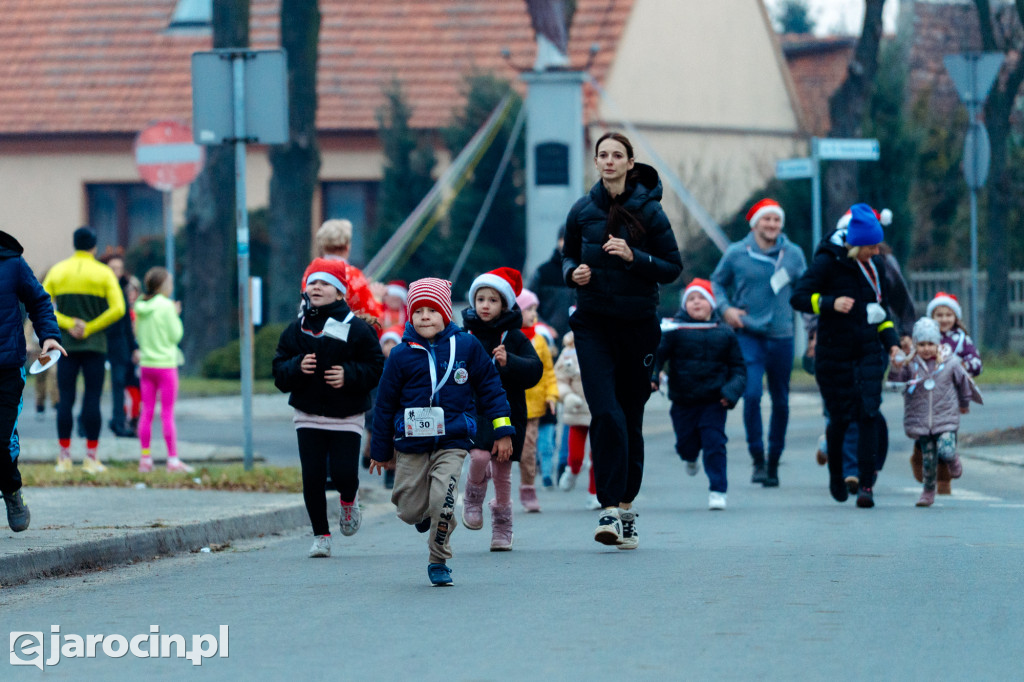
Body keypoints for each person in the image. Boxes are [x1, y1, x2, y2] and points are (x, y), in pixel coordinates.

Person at [562, 131, 682, 549]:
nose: (609, 161)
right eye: (603, 155)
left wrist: (635, 258)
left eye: (617, 155)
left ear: (631, 163)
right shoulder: (581, 210)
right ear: (595, 162)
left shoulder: (650, 212)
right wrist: (570, 274)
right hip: (593, 325)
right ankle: (609, 508)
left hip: (638, 326)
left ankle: (627, 506)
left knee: (630, 417)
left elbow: (672, 267)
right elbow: (567, 256)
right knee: (606, 413)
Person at [368, 278, 514, 586]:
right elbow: (383, 406)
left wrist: (503, 430)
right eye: (417, 311)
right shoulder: (400, 355)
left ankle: (438, 559)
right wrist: (380, 451)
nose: (424, 317)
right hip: (411, 443)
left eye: (431, 311)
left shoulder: (466, 346)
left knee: (444, 504)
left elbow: (491, 388)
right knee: (408, 509)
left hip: (452, 441)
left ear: (446, 313)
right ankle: (423, 518)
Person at [791, 203, 902, 508]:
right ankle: (836, 473)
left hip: (868, 352)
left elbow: (883, 313)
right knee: (840, 420)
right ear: (856, 245)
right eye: (871, 246)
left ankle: (866, 485)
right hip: (834, 354)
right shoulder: (827, 263)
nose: (877, 252)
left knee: (868, 416)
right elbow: (798, 297)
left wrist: (892, 343)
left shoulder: (876, 268)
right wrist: (829, 302)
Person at [273, 258, 385, 557]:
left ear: (339, 293)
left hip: (346, 414)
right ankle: (321, 535)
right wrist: (297, 366)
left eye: (324, 283)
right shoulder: (296, 329)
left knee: (344, 474)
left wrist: (349, 374)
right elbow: (279, 369)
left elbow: (375, 368)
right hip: (307, 414)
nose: (317, 287)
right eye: (312, 282)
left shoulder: (358, 329)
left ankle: (349, 500)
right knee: (312, 476)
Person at [710, 198, 806, 486]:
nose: (772, 225)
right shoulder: (738, 253)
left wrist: (813, 332)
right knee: (751, 395)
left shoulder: (793, 254)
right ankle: (757, 458)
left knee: (781, 400)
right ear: (755, 223)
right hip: (748, 334)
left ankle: (774, 460)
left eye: (776, 220)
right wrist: (725, 309)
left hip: (782, 336)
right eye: (767, 220)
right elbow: (716, 282)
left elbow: (805, 291)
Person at [460, 267, 542, 550]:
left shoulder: (515, 338)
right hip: (474, 411)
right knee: (479, 456)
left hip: (508, 412)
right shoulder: (465, 336)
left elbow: (535, 371)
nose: (485, 305)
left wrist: (511, 363)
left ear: (505, 304)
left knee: (503, 469)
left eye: (493, 300)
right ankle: (472, 496)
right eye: (480, 299)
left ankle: (502, 526)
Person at [653, 279, 746, 510]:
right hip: (683, 400)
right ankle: (690, 457)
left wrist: (731, 392)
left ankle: (718, 490)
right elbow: (656, 357)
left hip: (714, 400)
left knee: (714, 443)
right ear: (685, 305)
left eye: (702, 298)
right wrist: (653, 377)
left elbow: (738, 369)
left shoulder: (725, 333)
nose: (696, 302)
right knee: (686, 445)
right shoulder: (674, 330)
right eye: (691, 299)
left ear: (712, 304)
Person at [42, 227, 125, 473]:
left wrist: (68, 323)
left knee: (65, 399)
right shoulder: (104, 273)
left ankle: (64, 458)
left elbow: (42, 304)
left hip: (65, 345)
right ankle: (91, 458)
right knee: (92, 399)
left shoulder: (58, 271)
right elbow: (119, 308)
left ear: (74, 244)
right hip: (95, 345)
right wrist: (90, 327)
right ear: (94, 247)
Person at [1, 230, 66, 532]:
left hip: (6, 367)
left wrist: (49, 336)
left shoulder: (11, 262)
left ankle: (11, 490)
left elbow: (39, 301)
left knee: (1, 444)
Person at [889, 317, 979, 507]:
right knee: (928, 460)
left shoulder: (951, 362)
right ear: (915, 345)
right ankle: (928, 492)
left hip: (945, 417)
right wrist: (896, 369)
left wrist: (964, 402)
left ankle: (953, 459)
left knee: (946, 449)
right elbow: (898, 384)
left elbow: (963, 384)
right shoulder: (911, 364)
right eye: (921, 344)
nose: (926, 348)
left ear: (938, 343)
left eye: (931, 343)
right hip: (921, 420)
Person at [133, 267, 192, 474]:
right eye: (170, 283)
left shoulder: (140, 306)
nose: (172, 286)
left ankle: (145, 458)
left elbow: (139, 334)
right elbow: (176, 335)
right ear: (162, 285)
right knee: (167, 413)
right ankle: (172, 460)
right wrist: (176, 315)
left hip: (147, 364)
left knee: (146, 412)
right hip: (166, 365)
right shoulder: (167, 307)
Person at [516, 287, 557, 512]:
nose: (534, 314)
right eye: (529, 309)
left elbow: (549, 372)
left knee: (528, 451)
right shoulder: (506, 337)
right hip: (507, 406)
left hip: (532, 409)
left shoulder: (540, 341)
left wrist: (551, 396)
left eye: (535, 309)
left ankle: (528, 488)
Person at [554, 331, 598, 509]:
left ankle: (595, 493)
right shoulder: (569, 351)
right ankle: (572, 470)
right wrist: (567, 396)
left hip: (601, 407)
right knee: (576, 457)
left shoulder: (609, 342)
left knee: (599, 456)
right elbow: (560, 379)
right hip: (578, 409)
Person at [99, 249, 139, 438]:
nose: (116, 272)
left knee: (119, 384)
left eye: (119, 268)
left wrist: (134, 348)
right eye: (113, 268)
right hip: (99, 341)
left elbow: (126, 324)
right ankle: (86, 421)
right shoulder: (99, 289)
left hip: (119, 344)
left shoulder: (123, 289)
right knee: (95, 382)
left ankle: (118, 422)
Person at [314, 219, 384, 326]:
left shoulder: (312, 271)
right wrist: (376, 297)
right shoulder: (353, 275)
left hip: (311, 336)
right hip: (341, 338)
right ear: (347, 246)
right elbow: (373, 320)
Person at [529, 225, 573, 339]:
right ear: (559, 241)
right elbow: (527, 305)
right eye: (566, 239)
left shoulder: (584, 271)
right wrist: (544, 327)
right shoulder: (543, 272)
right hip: (547, 337)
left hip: (576, 338)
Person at [927, 292, 983, 377]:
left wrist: (961, 365)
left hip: (954, 386)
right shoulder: (926, 338)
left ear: (955, 317)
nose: (944, 319)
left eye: (948, 315)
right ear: (932, 317)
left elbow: (977, 364)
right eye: (939, 315)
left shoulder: (961, 339)